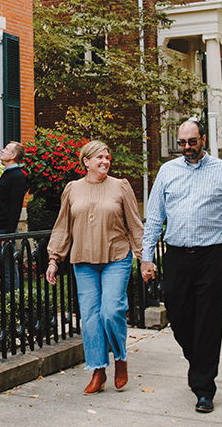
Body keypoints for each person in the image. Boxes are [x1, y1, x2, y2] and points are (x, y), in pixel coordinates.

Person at [140, 119, 222, 414]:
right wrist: (146, 256)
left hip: (212, 256)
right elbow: (153, 218)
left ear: (203, 139)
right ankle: (199, 361)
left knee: (210, 322)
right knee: (179, 316)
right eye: (182, 143)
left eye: (192, 142)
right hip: (176, 256)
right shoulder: (167, 171)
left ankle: (204, 388)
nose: (187, 148)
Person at [45, 140, 144, 395]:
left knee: (111, 311)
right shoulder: (72, 189)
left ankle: (120, 359)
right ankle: (98, 370)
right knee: (89, 317)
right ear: (86, 162)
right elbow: (62, 226)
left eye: (107, 157)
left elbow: (134, 224)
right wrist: (54, 259)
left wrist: (145, 257)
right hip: (83, 261)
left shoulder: (120, 187)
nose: (105, 161)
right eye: (99, 157)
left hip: (116, 257)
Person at [0, 141, 28, 290]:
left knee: (7, 269)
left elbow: (15, 208)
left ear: (13, 155)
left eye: (7, 149)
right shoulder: (7, 174)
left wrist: (9, 235)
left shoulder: (17, 177)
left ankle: (13, 303)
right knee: (2, 268)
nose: (2, 150)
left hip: (3, 230)